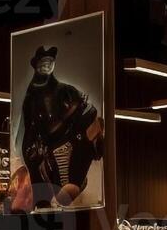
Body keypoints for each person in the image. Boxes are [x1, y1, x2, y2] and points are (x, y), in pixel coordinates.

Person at [15, 45, 103, 210]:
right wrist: (29, 151)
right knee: (43, 182)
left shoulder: (67, 90)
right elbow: (27, 127)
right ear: (36, 65)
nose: (46, 66)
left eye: (50, 62)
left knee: (81, 146)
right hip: (45, 146)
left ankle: (73, 184)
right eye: (43, 62)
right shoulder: (30, 98)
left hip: (70, 139)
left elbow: (87, 112)